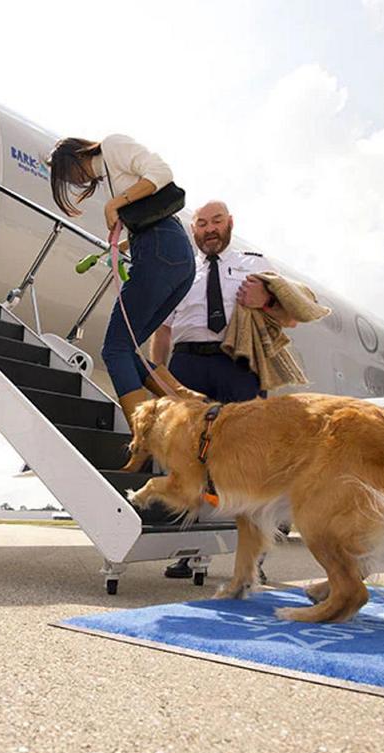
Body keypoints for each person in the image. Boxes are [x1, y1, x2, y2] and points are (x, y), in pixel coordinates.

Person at [150, 200, 296, 579]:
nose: (209, 228)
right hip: (186, 366)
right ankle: (185, 551)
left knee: (249, 462)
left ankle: (252, 560)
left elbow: (291, 317)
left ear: (230, 223)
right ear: (193, 230)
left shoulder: (255, 261)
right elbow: (162, 329)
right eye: (201, 223)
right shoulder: (179, 269)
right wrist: (160, 379)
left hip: (239, 366)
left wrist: (264, 301)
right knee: (186, 460)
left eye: (216, 221)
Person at [47, 135, 197, 452]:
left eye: (66, 174)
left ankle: (144, 439)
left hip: (161, 249)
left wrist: (116, 203)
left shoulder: (113, 146)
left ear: (74, 157)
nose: (72, 182)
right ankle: (193, 410)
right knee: (129, 350)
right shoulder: (109, 176)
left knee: (114, 349)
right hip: (173, 255)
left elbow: (161, 172)